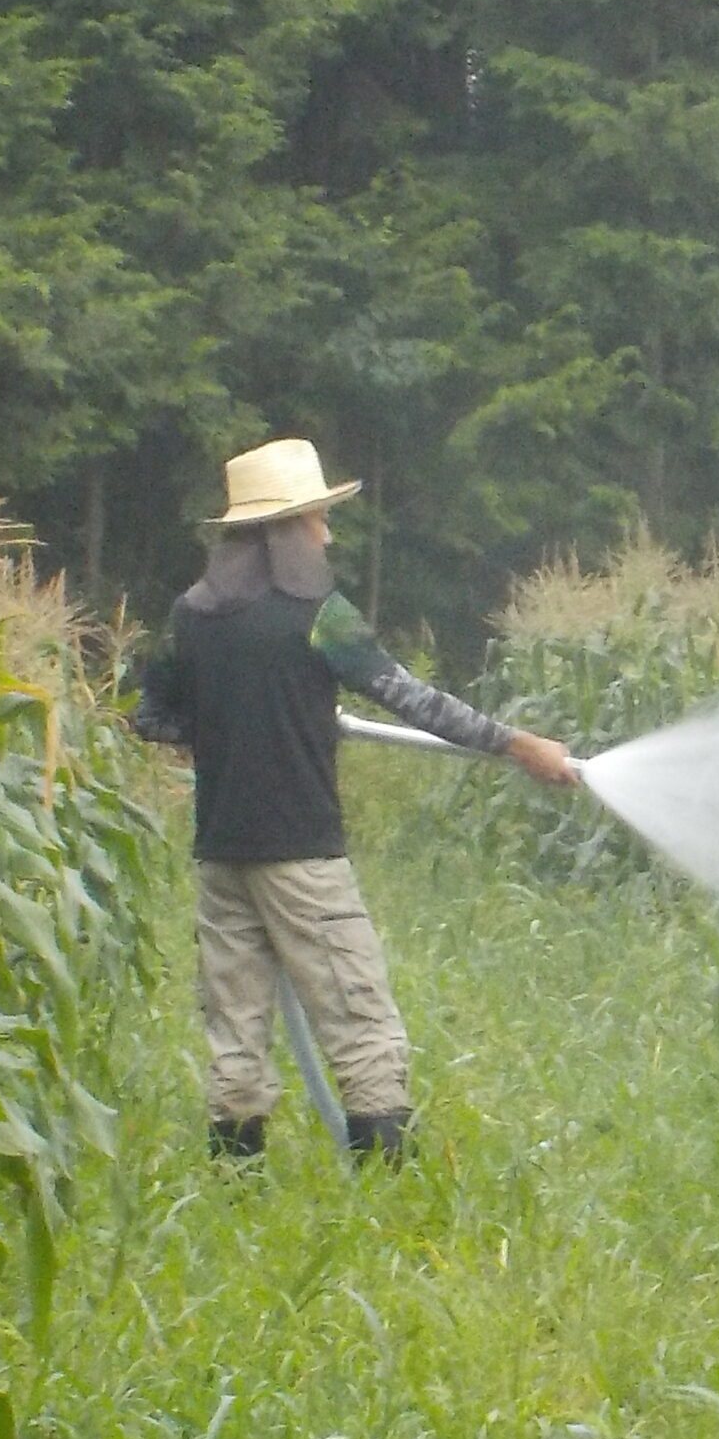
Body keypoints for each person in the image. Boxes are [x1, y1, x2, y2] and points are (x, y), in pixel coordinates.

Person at [132, 438, 579, 1163]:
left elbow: (152, 718)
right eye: (317, 519)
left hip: (221, 857)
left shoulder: (192, 614)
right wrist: (518, 744)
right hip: (303, 855)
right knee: (358, 1013)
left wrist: (235, 726)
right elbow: (411, 698)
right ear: (285, 530)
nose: (327, 534)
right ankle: (386, 1186)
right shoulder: (319, 616)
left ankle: (235, 1184)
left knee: (236, 1027)